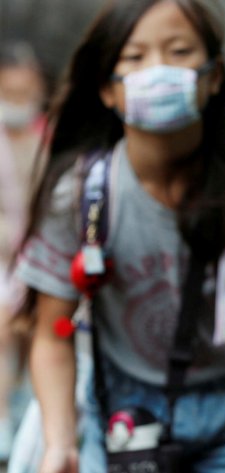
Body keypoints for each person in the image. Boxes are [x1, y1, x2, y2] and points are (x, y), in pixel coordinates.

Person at [11, 0, 225, 471]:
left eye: (178, 51)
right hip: (120, 413)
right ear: (107, 89)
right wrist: (60, 442)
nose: (157, 71)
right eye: (134, 58)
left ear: (214, 76)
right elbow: (53, 332)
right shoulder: (81, 197)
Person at [0, 40, 48, 464]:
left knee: (44, 329)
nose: (18, 104)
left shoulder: (47, 139)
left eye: (25, 94)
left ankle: (35, 420)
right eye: (9, 94)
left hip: (40, 256)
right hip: (2, 260)